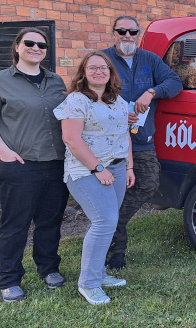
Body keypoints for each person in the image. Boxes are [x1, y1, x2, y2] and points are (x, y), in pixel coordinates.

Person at [0, 27, 69, 302]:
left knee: (50, 221)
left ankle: (49, 268)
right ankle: (9, 277)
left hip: (55, 163)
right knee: (16, 223)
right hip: (19, 163)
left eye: (41, 45)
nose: (36, 48)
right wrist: (4, 152)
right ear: (17, 46)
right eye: (29, 43)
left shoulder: (56, 81)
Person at [101, 15, 182, 270]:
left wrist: (152, 92)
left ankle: (113, 224)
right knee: (109, 192)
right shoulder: (101, 60)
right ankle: (115, 256)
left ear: (138, 35)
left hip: (142, 140)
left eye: (132, 32)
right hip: (108, 142)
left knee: (147, 184)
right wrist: (115, 109)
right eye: (122, 31)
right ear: (113, 33)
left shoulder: (149, 59)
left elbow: (174, 82)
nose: (127, 36)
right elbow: (84, 91)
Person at [54, 52, 135, 305]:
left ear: (110, 72)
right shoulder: (76, 101)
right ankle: (88, 283)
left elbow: (125, 134)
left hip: (118, 167)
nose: (99, 71)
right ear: (84, 72)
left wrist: (129, 167)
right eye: (93, 68)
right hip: (86, 170)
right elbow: (71, 139)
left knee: (105, 222)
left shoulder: (117, 100)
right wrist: (99, 169)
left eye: (104, 67)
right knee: (105, 220)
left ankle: (98, 273)